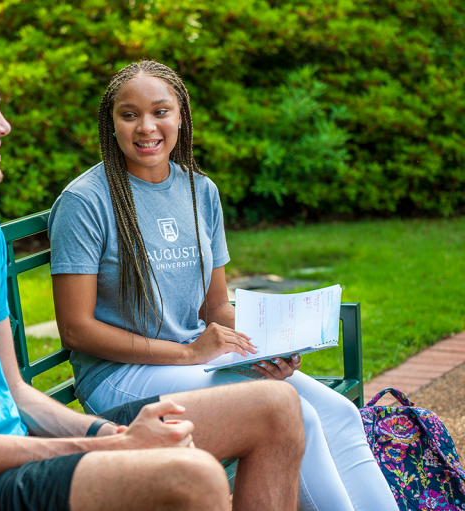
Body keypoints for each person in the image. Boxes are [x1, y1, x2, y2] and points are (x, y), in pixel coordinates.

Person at [0, 43, 306, 511]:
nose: (4, 126)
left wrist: (110, 436)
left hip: (13, 451)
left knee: (276, 407)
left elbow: (14, 390)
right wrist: (114, 450)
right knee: (191, 474)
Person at [48, 60, 398, 511]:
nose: (146, 127)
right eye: (129, 114)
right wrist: (191, 353)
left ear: (181, 117)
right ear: (110, 122)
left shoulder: (200, 191)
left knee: (339, 413)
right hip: (120, 376)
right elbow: (76, 330)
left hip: (193, 359)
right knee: (300, 417)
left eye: (160, 111)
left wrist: (268, 348)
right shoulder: (85, 202)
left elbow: (216, 308)